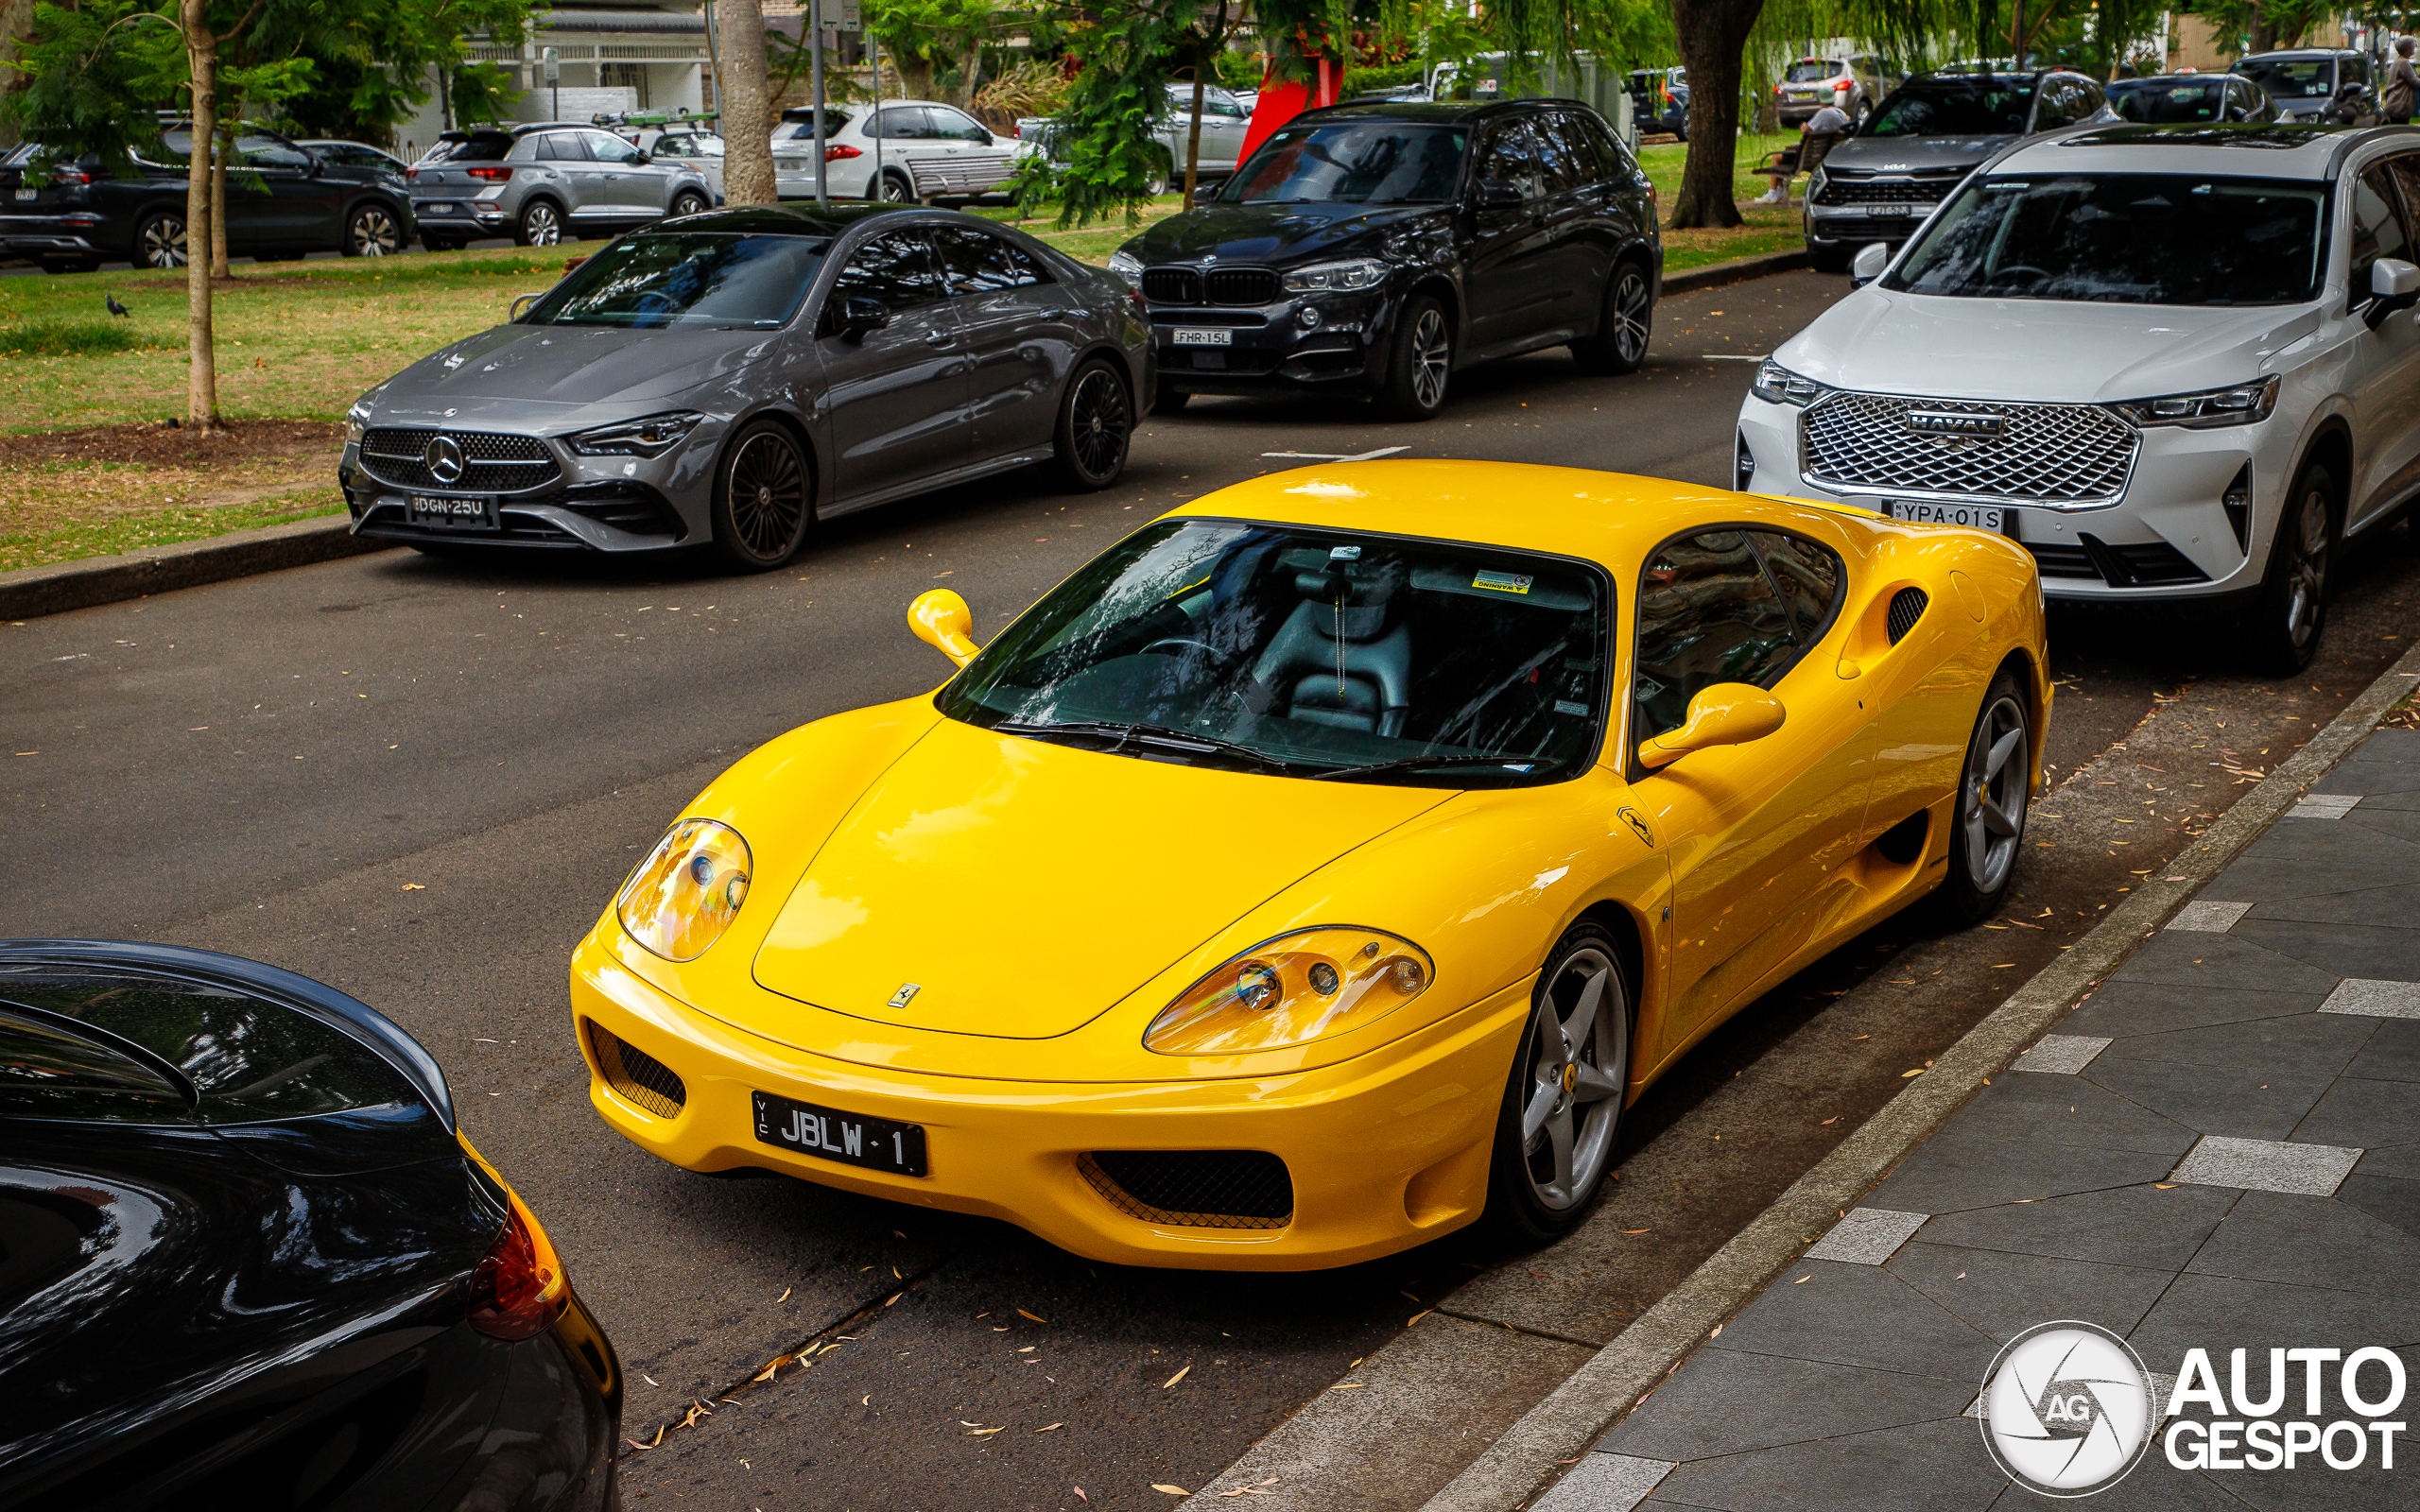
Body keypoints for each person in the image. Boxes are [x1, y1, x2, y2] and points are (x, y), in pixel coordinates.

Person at [1757, 79, 1854, 204]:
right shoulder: (1842, 114)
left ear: (1820, 100)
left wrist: (1803, 124)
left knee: (1777, 157)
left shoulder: (1823, 113)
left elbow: (1806, 130)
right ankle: (1778, 190)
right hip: (1828, 154)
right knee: (1784, 155)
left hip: (1811, 157)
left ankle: (1772, 192)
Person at [2386, 38, 2418, 127]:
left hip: (2395, 103)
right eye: (2413, 46)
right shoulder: (2403, 63)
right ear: (2408, 48)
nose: (2414, 48)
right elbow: (2415, 82)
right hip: (2399, 104)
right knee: (2400, 129)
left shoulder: (2398, 61)